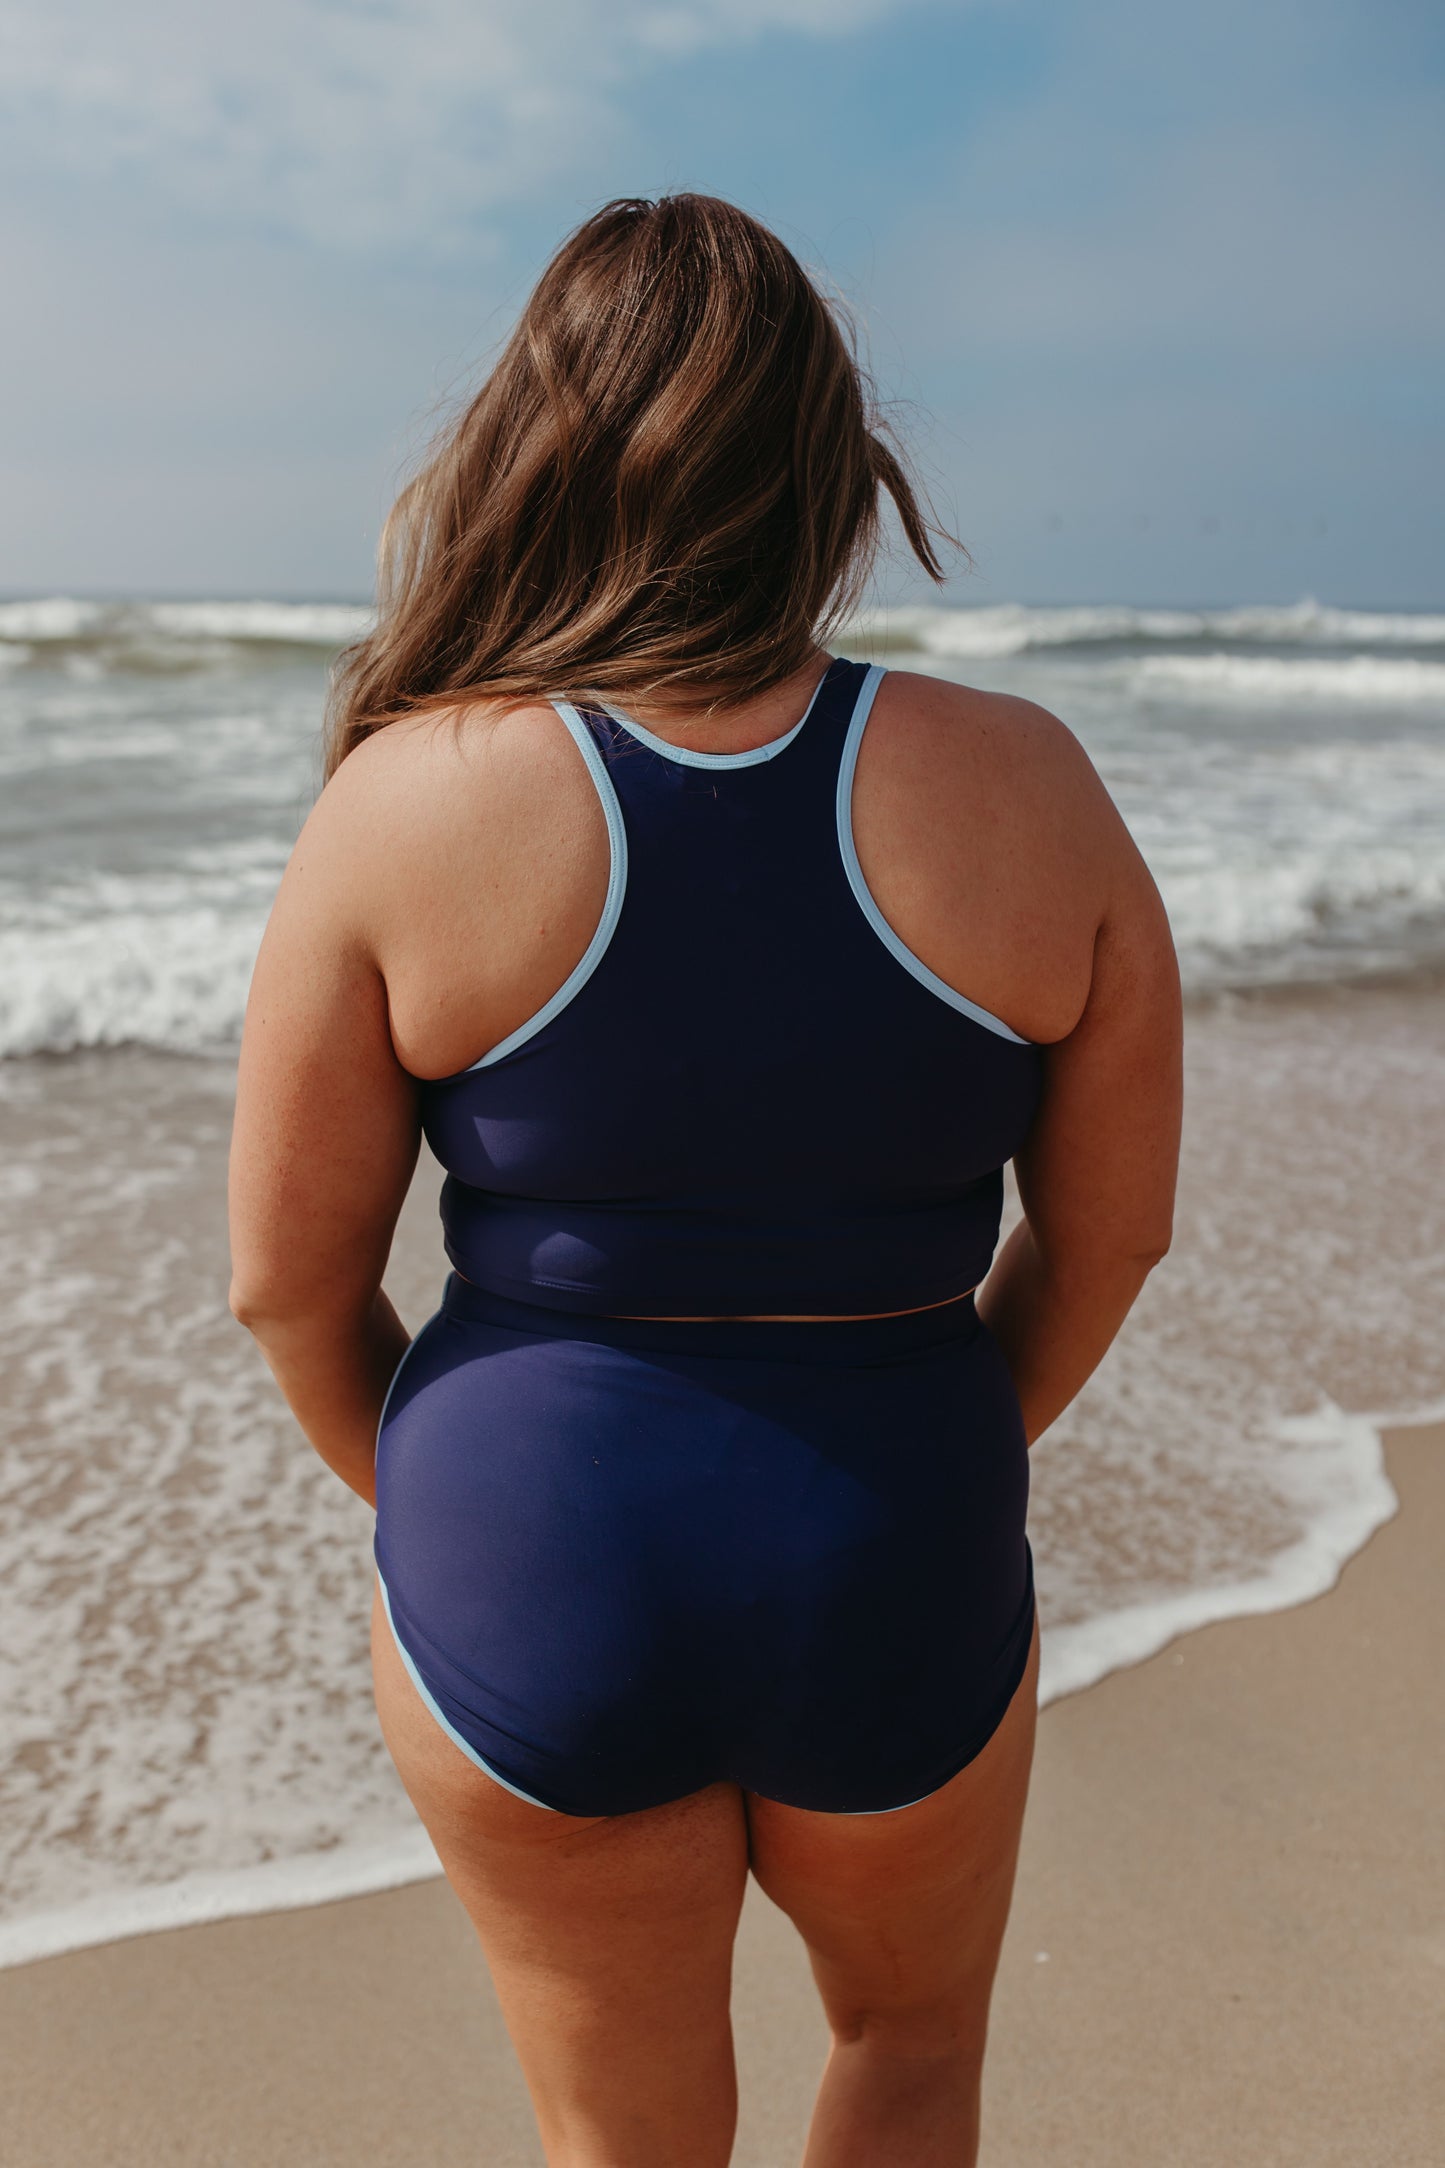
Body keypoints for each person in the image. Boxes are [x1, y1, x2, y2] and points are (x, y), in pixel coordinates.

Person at [228, 193, 1182, 2168]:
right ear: (831, 464)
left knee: (625, 2142)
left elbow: (287, 1287)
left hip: (536, 1540)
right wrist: (933, 1432)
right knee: (911, 2059)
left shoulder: (409, 797)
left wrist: (446, 1503)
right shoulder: (1026, 785)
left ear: (531, 452)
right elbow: (1115, 1234)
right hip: (895, 1519)